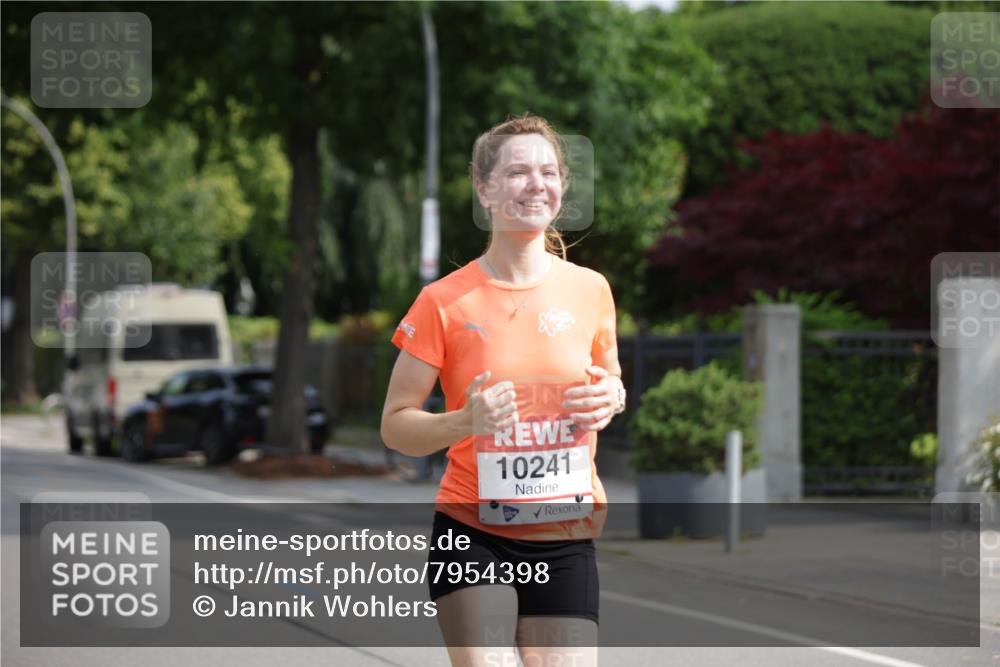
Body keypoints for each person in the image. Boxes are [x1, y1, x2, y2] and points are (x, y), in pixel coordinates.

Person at [381, 114, 625, 667]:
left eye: (548, 172)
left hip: (564, 532)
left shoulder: (590, 290)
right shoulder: (444, 302)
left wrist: (612, 398)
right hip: (473, 532)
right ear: (484, 189)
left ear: (561, 186)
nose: (536, 184)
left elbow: (610, 382)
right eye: (517, 172)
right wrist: (463, 422)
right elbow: (395, 425)